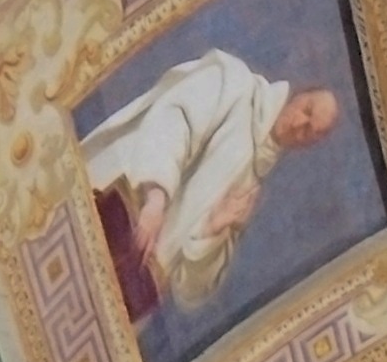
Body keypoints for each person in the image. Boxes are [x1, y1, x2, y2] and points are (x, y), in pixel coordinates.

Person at [76, 50, 342, 323]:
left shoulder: (249, 190)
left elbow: (190, 291)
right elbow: (174, 118)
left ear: (309, 144)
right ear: (299, 95)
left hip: (128, 282)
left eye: (310, 130)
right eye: (306, 110)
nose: (299, 124)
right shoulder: (235, 85)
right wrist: (156, 196)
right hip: (111, 209)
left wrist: (213, 231)